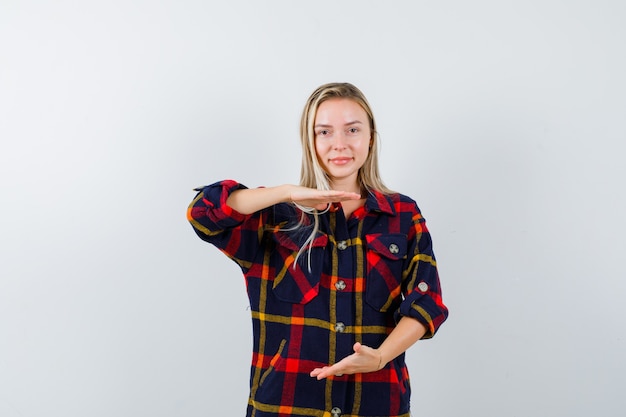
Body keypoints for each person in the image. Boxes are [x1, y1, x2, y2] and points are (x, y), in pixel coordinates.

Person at [187, 82, 448, 417]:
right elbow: (203, 213)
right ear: (309, 141)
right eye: (324, 132)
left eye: (352, 129)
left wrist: (380, 357)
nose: (339, 144)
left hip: (376, 404)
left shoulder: (402, 214)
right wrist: (285, 193)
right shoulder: (276, 215)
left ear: (370, 136)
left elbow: (427, 302)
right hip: (285, 406)